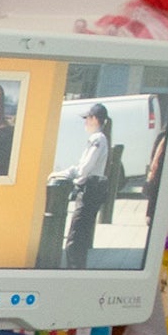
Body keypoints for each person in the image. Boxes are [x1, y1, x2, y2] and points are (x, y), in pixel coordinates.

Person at [55, 101, 112, 269]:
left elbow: (86, 166)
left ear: (94, 119)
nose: (85, 122)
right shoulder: (100, 138)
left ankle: (74, 270)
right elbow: (81, 166)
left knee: (75, 237)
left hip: (89, 190)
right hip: (94, 189)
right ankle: (77, 268)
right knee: (81, 235)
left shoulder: (97, 139)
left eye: (87, 118)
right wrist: (62, 173)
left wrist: (77, 182)